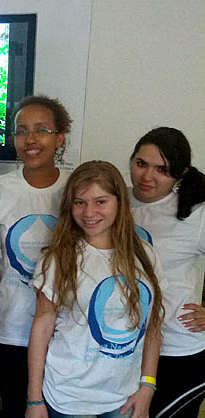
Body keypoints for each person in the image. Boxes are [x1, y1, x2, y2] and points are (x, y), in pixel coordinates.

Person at [26, 161, 164, 418]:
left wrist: (148, 384)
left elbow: (153, 323)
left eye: (100, 201)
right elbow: (42, 327)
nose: (89, 212)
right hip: (69, 397)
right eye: (80, 202)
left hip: (124, 395)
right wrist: (34, 400)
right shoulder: (58, 258)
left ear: (119, 203)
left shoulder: (145, 255)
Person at [0, 95, 72, 415]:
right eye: (21, 131)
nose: (30, 139)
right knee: (16, 407)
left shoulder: (76, 189)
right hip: (10, 329)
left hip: (65, 330)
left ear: (60, 137)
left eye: (42, 130)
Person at [129, 127, 205, 416]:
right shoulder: (113, 203)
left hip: (178, 351)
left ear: (181, 173)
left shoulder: (195, 214)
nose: (147, 176)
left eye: (162, 169)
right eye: (141, 164)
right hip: (127, 349)